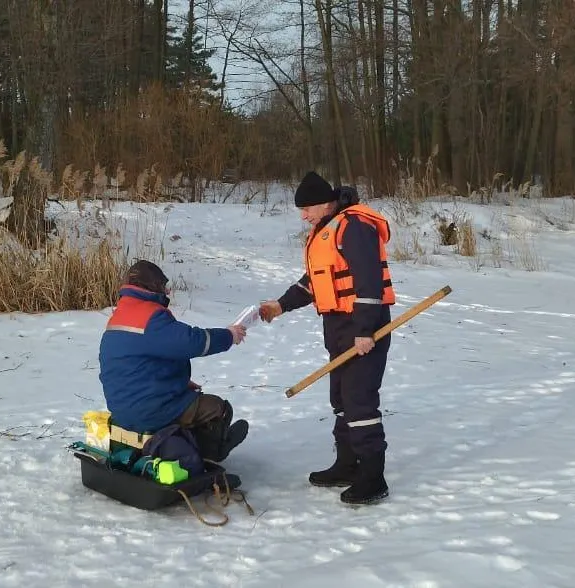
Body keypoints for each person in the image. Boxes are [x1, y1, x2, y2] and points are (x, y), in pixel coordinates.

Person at [259, 171, 396, 505]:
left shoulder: (355, 227)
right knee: (341, 399)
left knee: (360, 400)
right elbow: (314, 282)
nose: (303, 215)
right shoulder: (326, 230)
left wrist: (365, 330)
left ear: (326, 202)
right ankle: (347, 464)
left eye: (307, 208)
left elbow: (368, 282)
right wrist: (281, 305)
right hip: (336, 326)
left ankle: (373, 477)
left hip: (363, 324)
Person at [99, 260, 249, 463]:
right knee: (218, 409)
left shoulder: (118, 317)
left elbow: (137, 366)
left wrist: (180, 383)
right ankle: (207, 458)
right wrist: (229, 335)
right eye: (163, 286)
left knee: (187, 397)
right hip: (150, 410)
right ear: (151, 287)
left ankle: (178, 446)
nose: (167, 292)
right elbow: (193, 342)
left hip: (121, 409)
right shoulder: (150, 316)